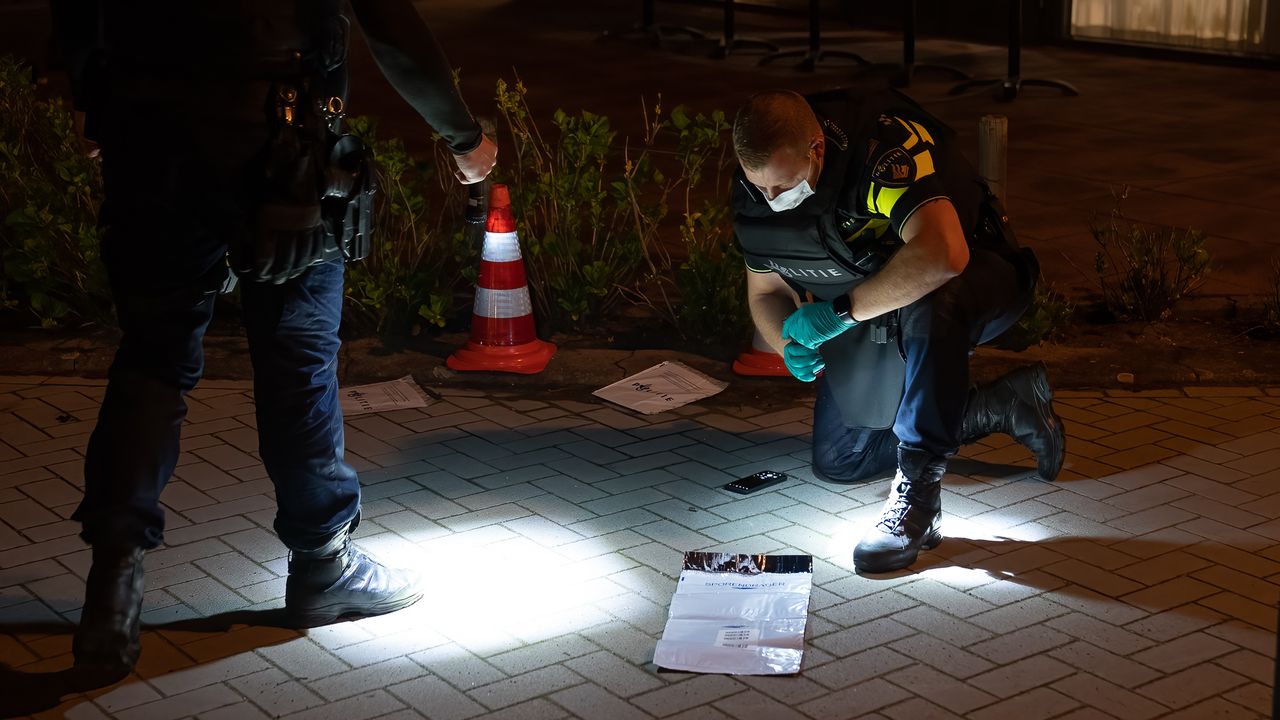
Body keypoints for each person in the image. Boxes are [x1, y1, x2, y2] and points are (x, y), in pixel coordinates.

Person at [50, 0, 497, 679]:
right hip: (279, 153)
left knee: (152, 357)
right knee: (297, 360)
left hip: (149, 138)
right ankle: (323, 564)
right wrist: (462, 137)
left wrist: (93, 96)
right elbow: (390, 23)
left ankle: (113, 586)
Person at [730, 88, 1065, 574]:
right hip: (874, 303)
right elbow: (763, 293)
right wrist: (785, 342)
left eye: (783, 186)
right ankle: (1001, 406)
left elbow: (943, 254)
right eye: (760, 187)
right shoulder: (756, 184)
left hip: (977, 279)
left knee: (931, 301)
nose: (772, 200)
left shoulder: (880, 157)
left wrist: (839, 314)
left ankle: (917, 498)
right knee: (840, 459)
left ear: (816, 148)